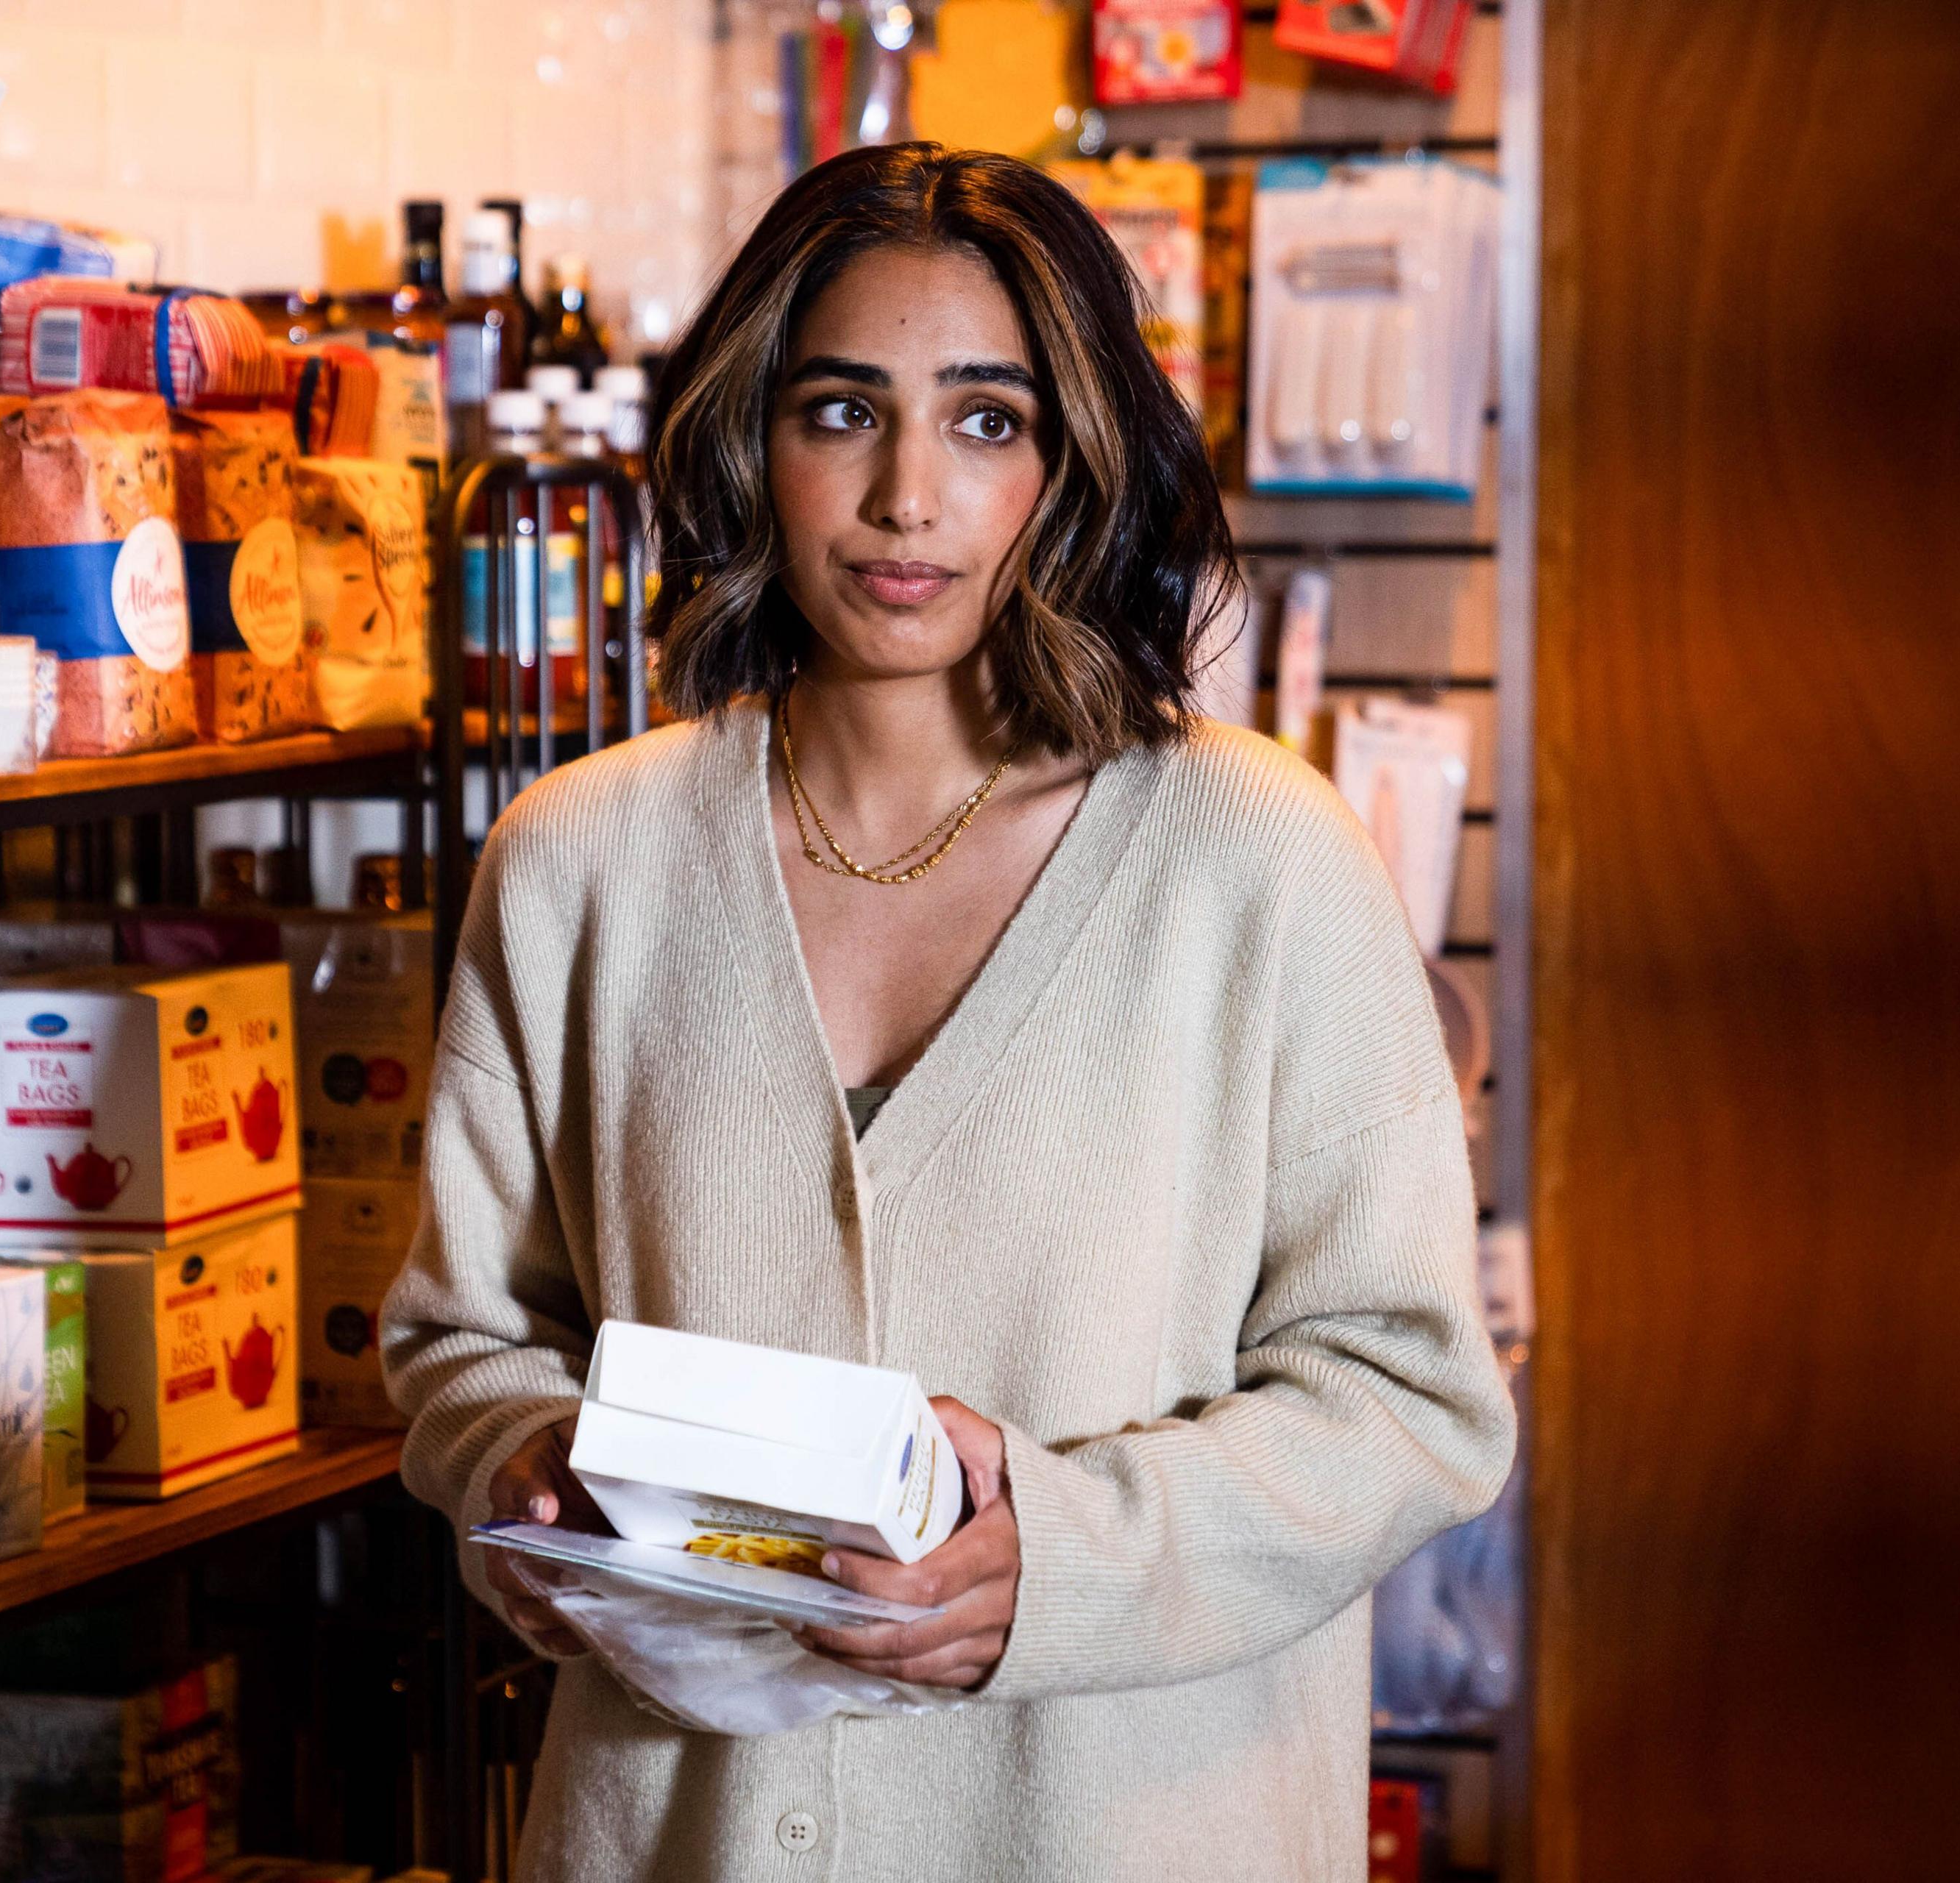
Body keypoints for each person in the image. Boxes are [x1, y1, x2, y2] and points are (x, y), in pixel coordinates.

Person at [383, 141, 1516, 1881]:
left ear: (1075, 460)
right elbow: (468, 1344)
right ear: (751, 437)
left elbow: (1410, 1395)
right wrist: (525, 1468)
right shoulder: (577, 864)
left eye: (987, 419)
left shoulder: (1259, 859)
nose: (909, 494)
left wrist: (1057, 1558)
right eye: (843, 410)